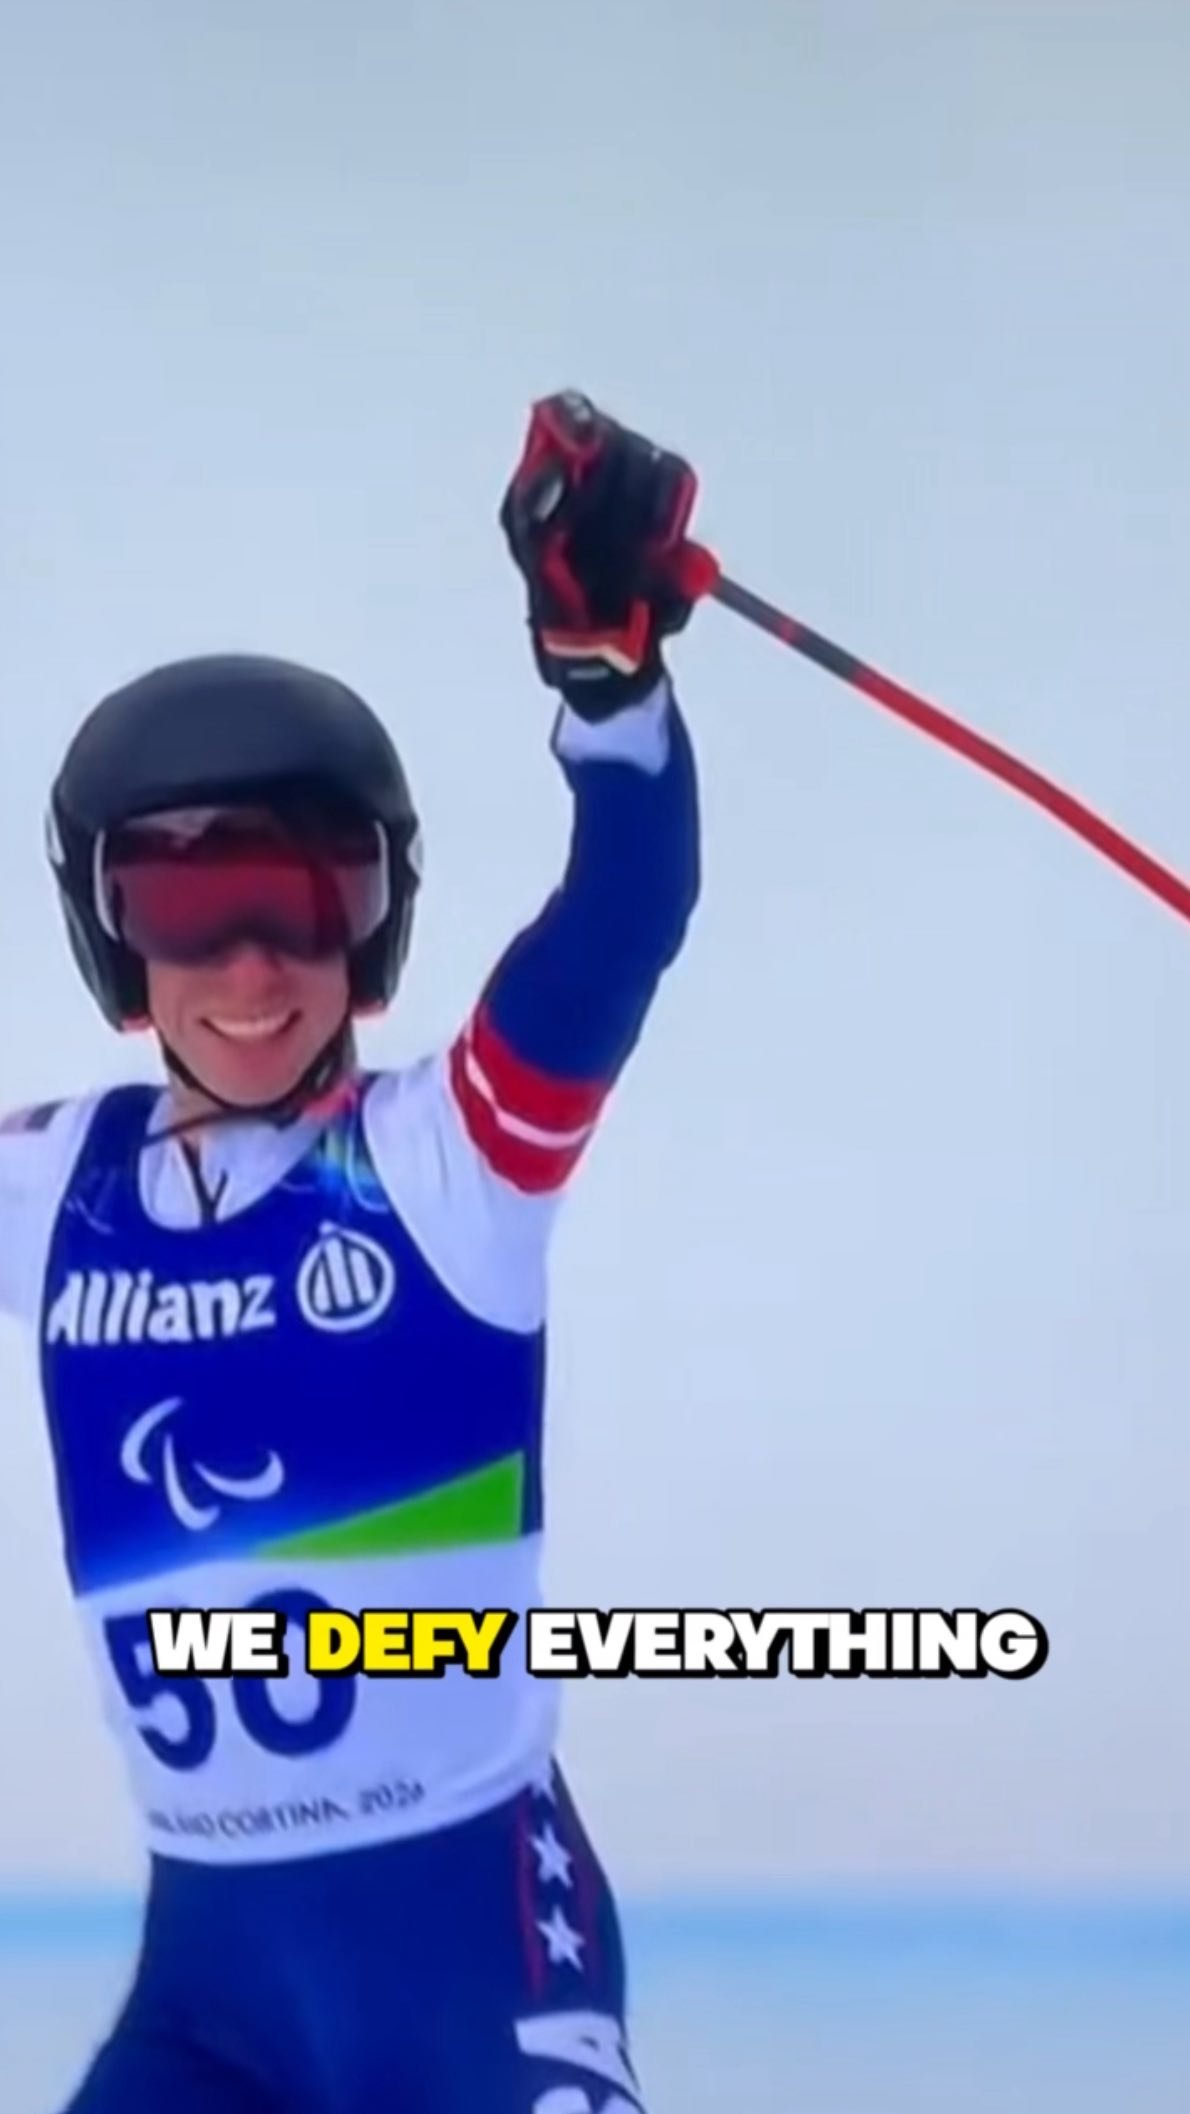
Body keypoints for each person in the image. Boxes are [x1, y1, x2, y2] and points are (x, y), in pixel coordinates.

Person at [1, 392, 708, 2112]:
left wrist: (605, 681)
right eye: (190, 914)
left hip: (474, 1955)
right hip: (212, 2006)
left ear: (374, 917)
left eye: (305, 902)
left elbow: (623, 913)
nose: (251, 970)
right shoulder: (58, 1185)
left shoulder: (444, 1164)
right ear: (115, 938)